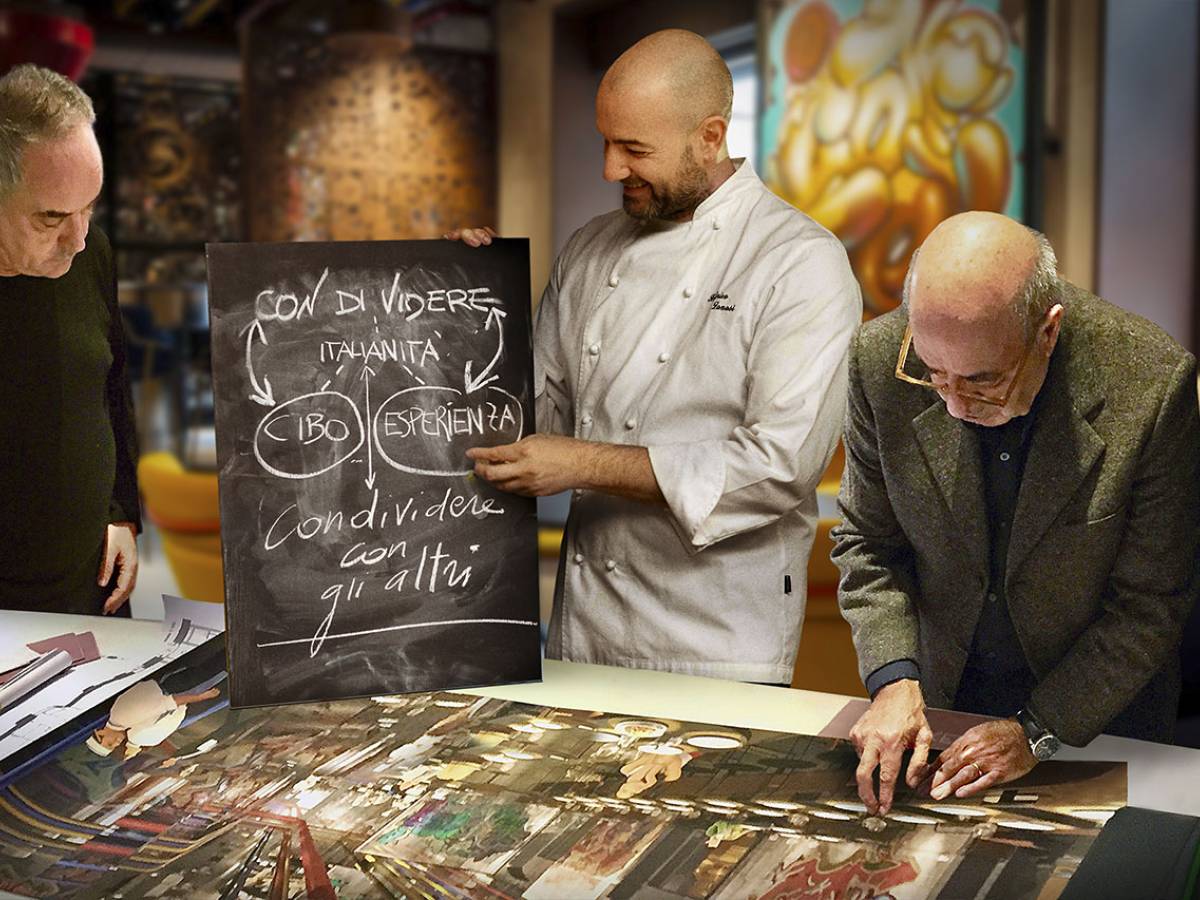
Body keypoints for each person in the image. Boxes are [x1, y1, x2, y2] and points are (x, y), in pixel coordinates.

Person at [450, 29, 861, 683]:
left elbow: (779, 467)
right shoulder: (588, 249)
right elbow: (531, 418)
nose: (611, 169)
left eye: (634, 149)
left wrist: (582, 463)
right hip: (584, 630)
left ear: (710, 136)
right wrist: (473, 312)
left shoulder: (798, 262)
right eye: (605, 143)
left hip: (718, 642)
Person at [832, 211, 1200, 815]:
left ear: (1047, 331)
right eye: (934, 376)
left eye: (983, 382)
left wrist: (1037, 730)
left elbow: (1150, 603)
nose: (953, 406)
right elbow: (868, 542)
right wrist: (894, 679)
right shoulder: (879, 359)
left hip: (1098, 724)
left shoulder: (1151, 386)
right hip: (940, 705)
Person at [0, 64, 140, 615]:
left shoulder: (92, 253)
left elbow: (111, 386)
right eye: (52, 217)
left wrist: (120, 510)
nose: (77, 239)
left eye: (90, 206)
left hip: (92, 581)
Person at [86, 680, 220, 760]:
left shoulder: (121, 717)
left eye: (109, 743)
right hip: (179, 693)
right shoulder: (123, 723)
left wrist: (199, 697)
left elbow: (166, 703)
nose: (116, 743)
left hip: (179, 689)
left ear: (100, 733)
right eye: (113, 747)